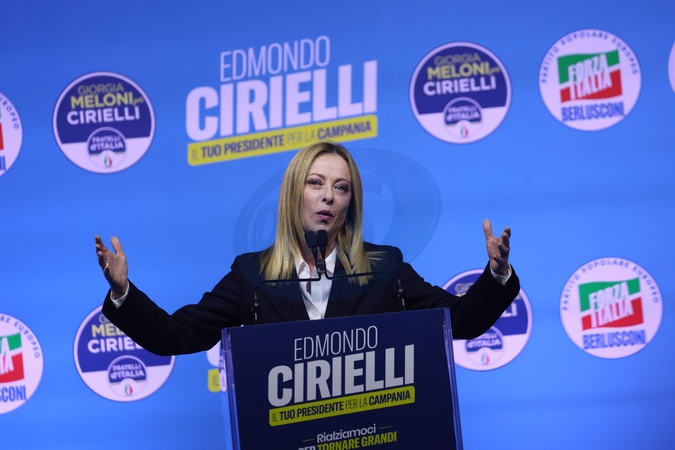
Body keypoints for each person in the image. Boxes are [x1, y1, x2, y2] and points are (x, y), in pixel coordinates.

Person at [96, 141, 519, 357]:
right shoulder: (252, 275)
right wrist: (122, 292)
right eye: (315, 183)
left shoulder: (384, 267)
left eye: (341, 187)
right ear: (293, 194)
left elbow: (462, 321)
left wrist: (497, 273)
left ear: (351, 204)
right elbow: (177, 335)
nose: (328, 196)